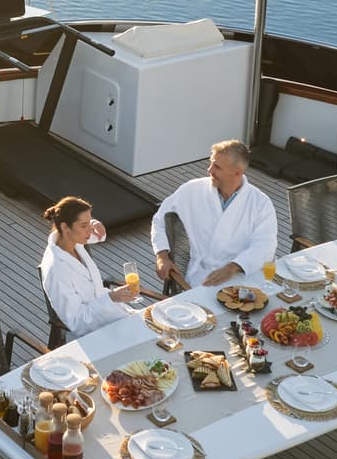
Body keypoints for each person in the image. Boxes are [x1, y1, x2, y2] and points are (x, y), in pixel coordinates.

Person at [151, 139, 278, 289]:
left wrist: (233, 267)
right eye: (211, 163)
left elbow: (266, 245)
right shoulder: (192, 190)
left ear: (237, 172)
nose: (210, 170)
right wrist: (162, 256)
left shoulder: (260, 203)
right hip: (201, 279)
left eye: (217, 167)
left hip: (243, 278)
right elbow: (159, 220)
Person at [40, 196, 142, 339]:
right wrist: (111, 298)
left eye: (90, 222)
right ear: (65, 227)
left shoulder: (70, 240)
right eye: (84, 225)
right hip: (92, 334)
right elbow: (76, 322)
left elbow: (96, 234)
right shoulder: (56, 270)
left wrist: (95, 223)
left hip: (114, 315)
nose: (90, 230)